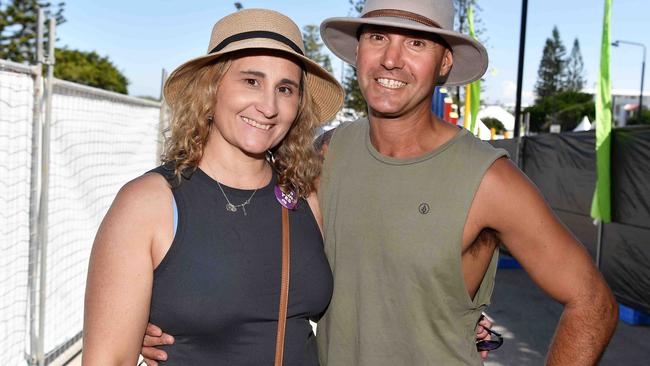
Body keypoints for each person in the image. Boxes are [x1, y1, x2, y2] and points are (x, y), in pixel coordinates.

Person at [142, 0, 618, 365]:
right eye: (377, 37)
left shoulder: (489, 179)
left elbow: (592, 302)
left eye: (416, 43)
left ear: (445, 63)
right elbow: (247, 252)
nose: (391, 60)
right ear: (358, 51)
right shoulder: (321, 158)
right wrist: (174, 317)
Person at [82, 8, 345, 365]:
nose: (268, 106)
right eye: (251, 81)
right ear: (211, 88)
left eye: (285, 89)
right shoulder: (149, 203)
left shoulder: (306, 195)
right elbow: (109, 358)